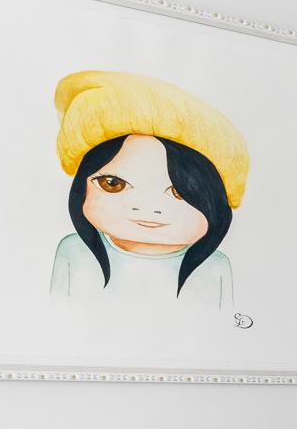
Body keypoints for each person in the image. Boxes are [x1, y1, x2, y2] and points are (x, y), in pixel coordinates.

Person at [47, 70, 247, 309]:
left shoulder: (214, 267)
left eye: (180, 192)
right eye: (114, 184)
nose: (147, 208)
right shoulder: (74, 251)